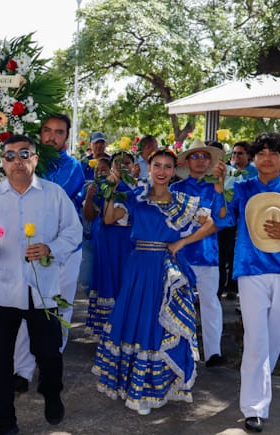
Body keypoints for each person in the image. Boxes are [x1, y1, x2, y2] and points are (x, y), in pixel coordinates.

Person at [0, 134, 82, 435]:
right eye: (10, 156)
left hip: (42, 289)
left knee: (48, 353)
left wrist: (50, 247)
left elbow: (74, 232)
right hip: (2, 291)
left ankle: (52, 391)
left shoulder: (54, 195)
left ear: (34, 159)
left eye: (24, 154)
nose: (17, 161)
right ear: (2, 162)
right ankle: (5, 421)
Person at [94, 147, 215, 415]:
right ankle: (134, 387)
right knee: (135, 321)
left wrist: (182, 241)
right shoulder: (136, 196)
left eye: (167, 167)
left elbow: (211, 224)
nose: (162, 171)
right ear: (148, 168)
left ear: (174, 171)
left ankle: (153, 388)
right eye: (157, 166)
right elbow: (108, 218)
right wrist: (112, 189)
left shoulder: (183, 201)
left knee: (156, 323)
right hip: (137, 267)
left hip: (164, 267)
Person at [212, 132, 280, 432]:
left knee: (273, 340)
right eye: (262, 153)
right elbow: (223, 220)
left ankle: (257, 390)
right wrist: (219, 189)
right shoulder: (243, 188)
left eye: (274, 153)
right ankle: (255, 408)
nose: (268, 157)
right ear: (254, 159)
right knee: (257, 340)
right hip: (251, 272)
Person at [13, 114, 84, 393]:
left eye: (59, 132)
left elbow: (48, 201)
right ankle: (22, 371)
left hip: (63, 251)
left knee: (57, 310)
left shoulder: (72, 167)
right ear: (39, 133)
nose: (52, 137)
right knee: (23, 307)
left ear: (66, 137)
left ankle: (49, 367)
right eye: (47, 131)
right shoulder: (24, 163)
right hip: (28, 249)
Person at [172, 140, 226, 367]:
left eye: (205, 156)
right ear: (187, 161)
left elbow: (223, 219)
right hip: (180, 256)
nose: (201, 160)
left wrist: (221, 190)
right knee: (176, 303)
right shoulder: (175, 190)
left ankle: (214, 352)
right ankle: (178, 349)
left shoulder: (217, 189)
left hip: (208, 255)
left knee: (210, 303)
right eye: (196, 156)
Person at [83, 154, 133, 337]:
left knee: (122, 283)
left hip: (126, 246)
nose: (122, 167)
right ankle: (105, 330)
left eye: (126, 163)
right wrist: (89, 197)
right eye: (117, 164)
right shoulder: (102, 187)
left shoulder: (136, 191)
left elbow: (110, 218)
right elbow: (90, 215)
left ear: (134, 166)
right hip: (104, 244)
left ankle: (121, 330)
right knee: (105, 281)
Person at [218, 140, 257, 298]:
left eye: (240, 153)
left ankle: (235, 288)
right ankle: (222, 288)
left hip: (247, 220)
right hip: (228, 219)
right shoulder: (227, 171)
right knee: (225, 254)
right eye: (234, 153)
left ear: (249, 156)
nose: (235, 156)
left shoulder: (255, 172)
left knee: (241, 254)